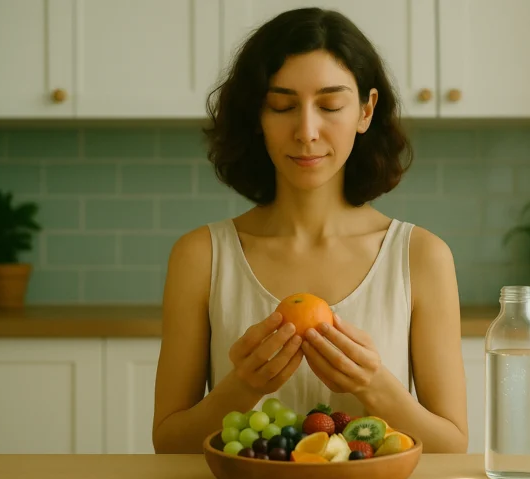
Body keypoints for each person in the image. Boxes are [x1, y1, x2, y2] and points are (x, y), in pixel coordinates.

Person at [152, 7, 468, 454]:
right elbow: (168, 444)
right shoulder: (200, 255)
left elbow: (452, 446)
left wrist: (373, 386)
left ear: (365, 110)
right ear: (256, 116)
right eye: (281, 105)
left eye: (330, 105)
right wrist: (239, 389)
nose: (306, 131)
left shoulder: (421, 256)